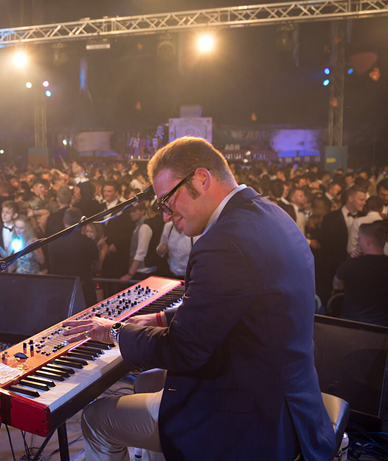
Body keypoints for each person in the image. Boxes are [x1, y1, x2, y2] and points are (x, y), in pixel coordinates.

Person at [62, 137, 334, 461]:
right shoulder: (271, 214)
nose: (166, 216)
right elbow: (236, 307)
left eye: (167, 201)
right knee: (147, 382)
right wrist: (161, 318)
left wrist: (115, 332)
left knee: (97, 418)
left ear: (202, 178)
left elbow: (183, 351)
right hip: (287, 395)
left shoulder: (224, 242)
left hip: (251, 418)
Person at [334, 221, 388, 326]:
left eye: (359, 239)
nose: (358, 242)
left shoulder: (352, 264)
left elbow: (336, 285)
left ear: (368, 242)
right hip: (383, 328)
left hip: (352, 324)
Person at [47, 207, 99, 306]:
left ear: (64, 220)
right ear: (81, 221)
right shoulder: (88, 242)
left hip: (60, 291)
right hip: (83, 291)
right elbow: (97, 266)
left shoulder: (53, 243)